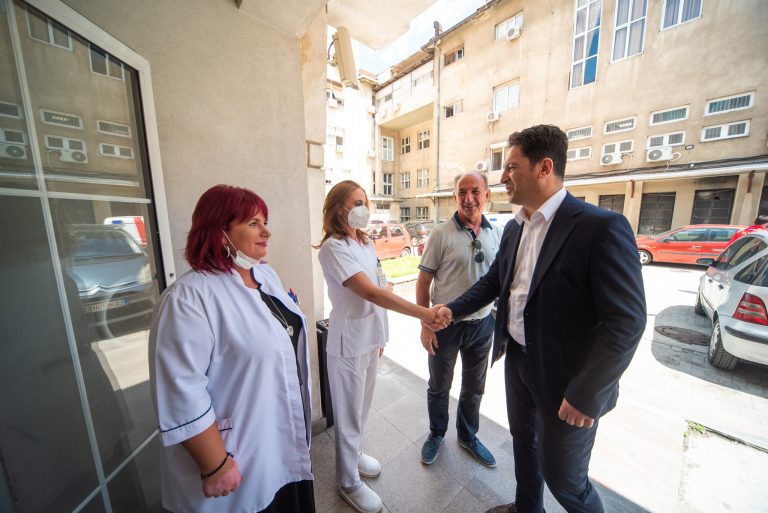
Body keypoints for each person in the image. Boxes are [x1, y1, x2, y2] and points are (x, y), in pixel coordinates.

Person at [438, 125, 646, 513]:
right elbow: (495, 282)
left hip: (569, 380)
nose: (502, 177)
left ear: (544, 167)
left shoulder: (599, 227)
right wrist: (452, 309)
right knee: (524, 444)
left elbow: (627, 321)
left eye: (512, 167)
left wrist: (587, 393)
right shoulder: (515, 227)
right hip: (518, 360)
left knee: (565, 479)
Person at [149, 185, 314, 513]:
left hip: (280, 439)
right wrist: (215, 464)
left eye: (265, 222)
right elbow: (181, 389)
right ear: (219, 232)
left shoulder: (265, 274)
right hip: (235, 459)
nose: (266, 231)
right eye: (253, 223)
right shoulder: (188, 298)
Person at [316, 180, 447, 513]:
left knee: (361, 409)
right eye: (356, 202)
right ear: (338, 209)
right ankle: (348, 482)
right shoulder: (333, 248)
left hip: (369, 338)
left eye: (365, 201)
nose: (363, 208)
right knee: (347, 415)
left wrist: (380, 336)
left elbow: (380, 282)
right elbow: (370, 292)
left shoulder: (363, 242)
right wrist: (424, 314)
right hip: (347, 344)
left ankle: (354, 454)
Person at [416, 171, 502, 467]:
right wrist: (425, 324)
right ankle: (436, 433)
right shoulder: (441, 234)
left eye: (475, 191)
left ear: (487, 194)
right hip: (445, 327)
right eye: (462, 192)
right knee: (439, 385)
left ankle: (467, 435)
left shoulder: (496, 233)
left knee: (474, 387)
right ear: (454, 196)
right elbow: (423, 281)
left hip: (483, 325)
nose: (469, 198)